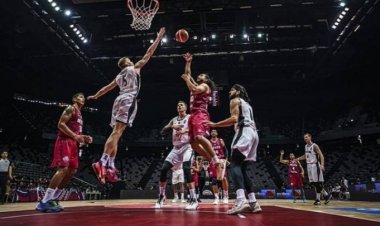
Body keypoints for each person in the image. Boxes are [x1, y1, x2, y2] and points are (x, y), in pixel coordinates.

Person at [88, 27, 165, 185]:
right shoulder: (134, 68)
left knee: (117, 133)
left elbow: (106, 88)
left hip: (119, 100)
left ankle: (110, 164)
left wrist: (96, 96)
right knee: (117, 132)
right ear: (128, 63)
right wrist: (158, 39)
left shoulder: (118, 76)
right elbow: (149, 53)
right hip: (129, 99)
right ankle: (102, 162)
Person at [207, 84, 262, 215]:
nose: (229, 92)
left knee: (235, 165)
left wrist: (215, 124)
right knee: (242, 169)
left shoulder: (235, 100)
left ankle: (241, 200)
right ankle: (254, 203)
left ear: (238, 91)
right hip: (254, 134)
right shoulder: (248, 104)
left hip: (244, 132)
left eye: (232, 90)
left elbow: (234, 119)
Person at [36, 93, 93, 212]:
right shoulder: (70, 108)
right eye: (79, 97)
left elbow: (75, 133)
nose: (82, 98)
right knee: (62, 169)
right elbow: (60, 124)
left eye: (83, 97)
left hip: (73, 143)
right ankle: (44, 201)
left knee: (72, 171)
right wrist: (75, 136)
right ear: (74, 99)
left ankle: (53, 199)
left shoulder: (80, 114)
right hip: (64, 141)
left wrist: (83, 137)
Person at [155, 101, 198, 210]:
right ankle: (161, 196)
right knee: (163, 169)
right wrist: (170, 126)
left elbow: (195, 129)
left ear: (186, 107)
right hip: (176, 148)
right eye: (178, 105)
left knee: (187, 169)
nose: (179, 106)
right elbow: (162, 132)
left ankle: (193, 198)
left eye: (181, 105)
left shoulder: (189, 117)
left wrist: (184, 130)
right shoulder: (173, 120)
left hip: (187, 147)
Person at [181, 52, 221, 164]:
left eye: (202, 75)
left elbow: (193, 89)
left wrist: (187, 80)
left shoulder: (204, 86)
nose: (199, 75)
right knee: (193, 143)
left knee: (199, 137)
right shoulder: (198, 85)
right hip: (193, 114)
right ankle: (212, 161)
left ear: (206, 79)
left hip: (200, 113)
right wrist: (188, 62)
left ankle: (216, 158)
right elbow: (187, 74)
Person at [297, 133, 332, 205]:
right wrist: (298, 158)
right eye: (304, 137)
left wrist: (322, 165)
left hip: (315, 165)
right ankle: (326, 195)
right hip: (309, 165)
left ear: (310, 137)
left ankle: (318, 199)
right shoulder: (306, 146)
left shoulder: (314, 146)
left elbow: (321, 155)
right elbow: (306, 155)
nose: (305, 138)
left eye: (306, 137)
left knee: (317, 182)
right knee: (312, 183)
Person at [209, 129, 229, 204]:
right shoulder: (209, 142)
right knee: (214, 180)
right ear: (210, 134)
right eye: (212, 131)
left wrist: (226, 159)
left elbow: (226, 150)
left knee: (223, 178)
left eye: (215, 131)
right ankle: (216, 198)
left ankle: (226, 196)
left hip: (221, 160)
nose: (213, 132)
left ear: (217, 133)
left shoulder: (220, 140)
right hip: (213, 161)